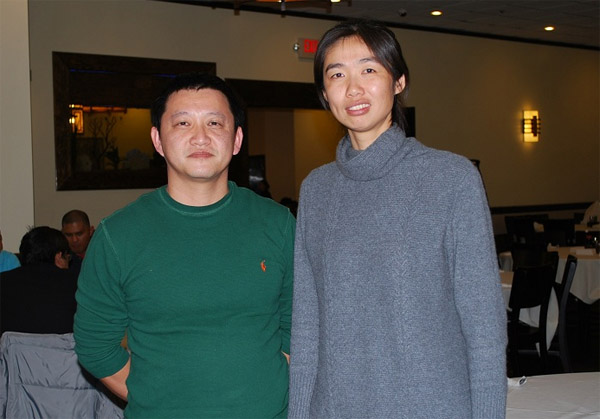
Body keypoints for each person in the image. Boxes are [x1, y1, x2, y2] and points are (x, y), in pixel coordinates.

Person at [288, 20, 507, 419]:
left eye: (369, 70)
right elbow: (306, 328)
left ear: (399, 81)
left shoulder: (451, 179)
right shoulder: (316, 189)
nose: (353, 89)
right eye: (337, 75)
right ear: (324, 93)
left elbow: (485, 329)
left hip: (430, 407)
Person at [74, 73, 295, 418]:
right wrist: (157, 398)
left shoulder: (278, 224)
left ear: (236, 139)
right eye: (182, 123)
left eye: (214, 123)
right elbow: (95, 346)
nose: (200, 137)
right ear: (158, 140)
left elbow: (298, 329)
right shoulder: (117, 235)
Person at [1, 226, 77, 335]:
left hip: (11, 346)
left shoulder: (3, 282)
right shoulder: (77, 285)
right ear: (59, 257)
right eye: (68, 258)